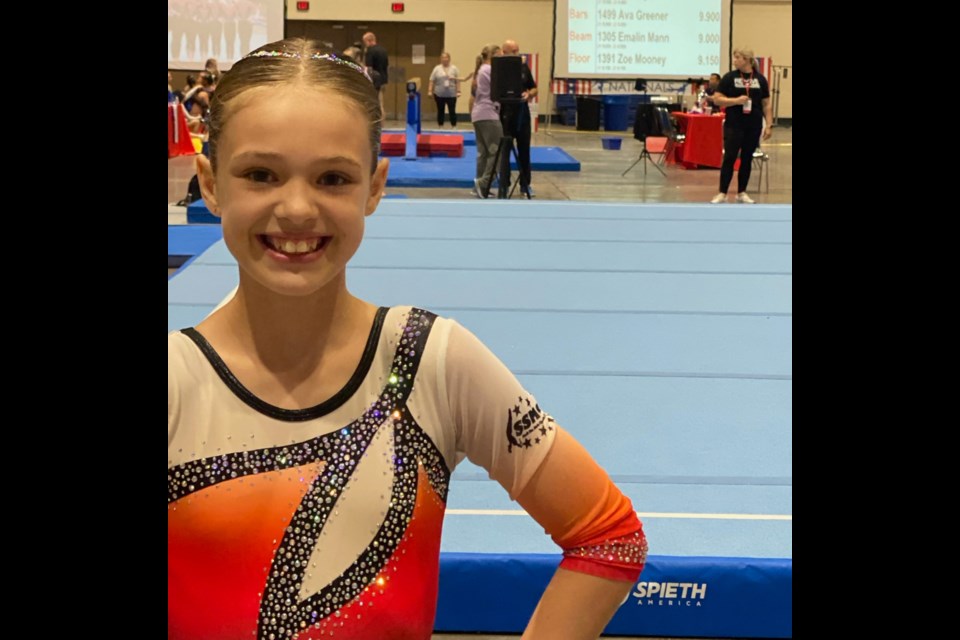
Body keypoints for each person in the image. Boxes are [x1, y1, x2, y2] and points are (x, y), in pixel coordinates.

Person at [168, 36, 648, 640]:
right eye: (260, 174)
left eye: (333, 179)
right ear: (210, 182)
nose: (295, 208)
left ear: (374, 186)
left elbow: (608, 536)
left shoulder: (432, 363)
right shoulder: (177, 383)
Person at [709, 48, 772, 204]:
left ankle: (741, 192)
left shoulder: (760, 79)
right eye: (734, 57)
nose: (734, 60)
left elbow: (766, 104)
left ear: (747, 60)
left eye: (737, 57)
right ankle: (722, 192)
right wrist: (735, 101)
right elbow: (717, 99)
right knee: (730, 157)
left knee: (746, 158)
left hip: (753, 125)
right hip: (734, 124)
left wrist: (769, 124)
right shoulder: (729, 78)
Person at [498, 39, 538, 199]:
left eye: (517, 51)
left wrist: (529, 94)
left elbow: (534, 88)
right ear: (504, 52)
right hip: (505, 113)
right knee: (505, 151)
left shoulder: (523, 68)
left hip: (522, 114)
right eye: (513, 51)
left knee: (524, 150)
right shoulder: (498, 70)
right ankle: (504, 185)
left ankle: (525, 184)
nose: (517, 54)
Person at [471, 44, 502, 199]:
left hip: (478, 114)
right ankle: (483, 182)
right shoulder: (490, 70)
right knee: (496, 151)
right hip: (488, 114)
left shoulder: (481, 69)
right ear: (494, 56)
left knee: (483, 153)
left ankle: (480, 185)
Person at [428, 52, 461, 128]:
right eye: (443, 58)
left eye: (446, 57)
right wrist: (430, 91)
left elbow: (458, 81)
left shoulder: (454, 69)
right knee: (440, 111)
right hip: (439, 94)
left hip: (451, 94)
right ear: (441, 59)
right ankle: (440, 126)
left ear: (449, 59)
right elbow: (432, 80)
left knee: (452, 111)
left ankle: (454, 126)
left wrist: (459, 91)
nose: (444, 59)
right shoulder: (437, 69)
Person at [362, 31, 389, 115]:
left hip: (374, 81)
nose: (365, 44)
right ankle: (382, 123)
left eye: (365, 42)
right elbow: (386, 65)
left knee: (374, 103)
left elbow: (368, 68)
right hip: (383, 79)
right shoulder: (383, 50)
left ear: (369, 41)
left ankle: (375, 122)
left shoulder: (370, 51)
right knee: (381, 103)